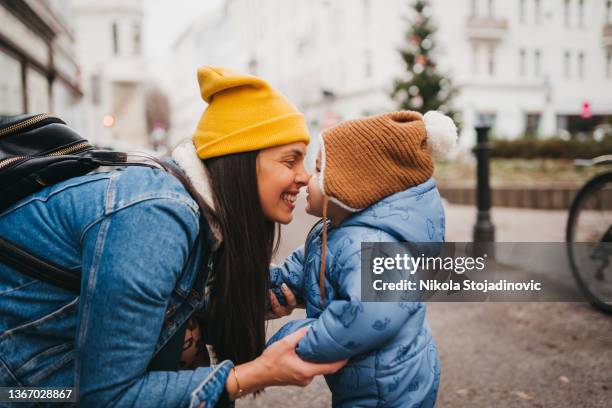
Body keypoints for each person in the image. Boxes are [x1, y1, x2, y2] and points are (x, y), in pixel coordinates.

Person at [0, 66, 345, 407]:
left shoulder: (194, 211)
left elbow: (159, 305)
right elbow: (106, 397)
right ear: (241, 161)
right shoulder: (157, 214)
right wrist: (257, 373)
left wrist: (245, 303)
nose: (304, 177)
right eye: (291, 160)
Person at [268, 110, 458, 407]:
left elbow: (366, 315)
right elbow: (300, 272)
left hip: (390, 390)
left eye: (319, 171)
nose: (307, 180)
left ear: (353, 186)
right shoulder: (334, 232)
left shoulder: (376, 247)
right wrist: (265, 283)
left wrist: (295, 339)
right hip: (361, 381)